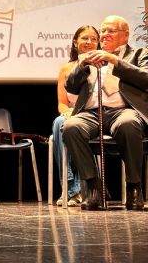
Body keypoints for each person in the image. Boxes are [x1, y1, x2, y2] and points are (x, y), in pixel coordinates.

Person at [63, 15, 148, 211]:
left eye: (111, 31)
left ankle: (134, 187)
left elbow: (145, 78)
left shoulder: (139, 53)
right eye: (103, 31)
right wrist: (82, 66)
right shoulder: (90, 56)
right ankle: (93, 186)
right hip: (92, 113)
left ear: (125, 36)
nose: (105, 35)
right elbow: (71, 87)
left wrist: (115, 61)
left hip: (123, 111)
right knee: (71, 126)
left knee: (128, 124)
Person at [52, 25, 100, 207]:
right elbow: (62, 103)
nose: (89, 42)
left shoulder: (102, 67)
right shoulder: (66, 69)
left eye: (94, 39)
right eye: (85, 38)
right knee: (59, 123)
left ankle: (75, 190)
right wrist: (67, 112)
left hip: (93, 117)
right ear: (75, 42)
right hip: (71, 114)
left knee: (70, 125)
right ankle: (71, 188)